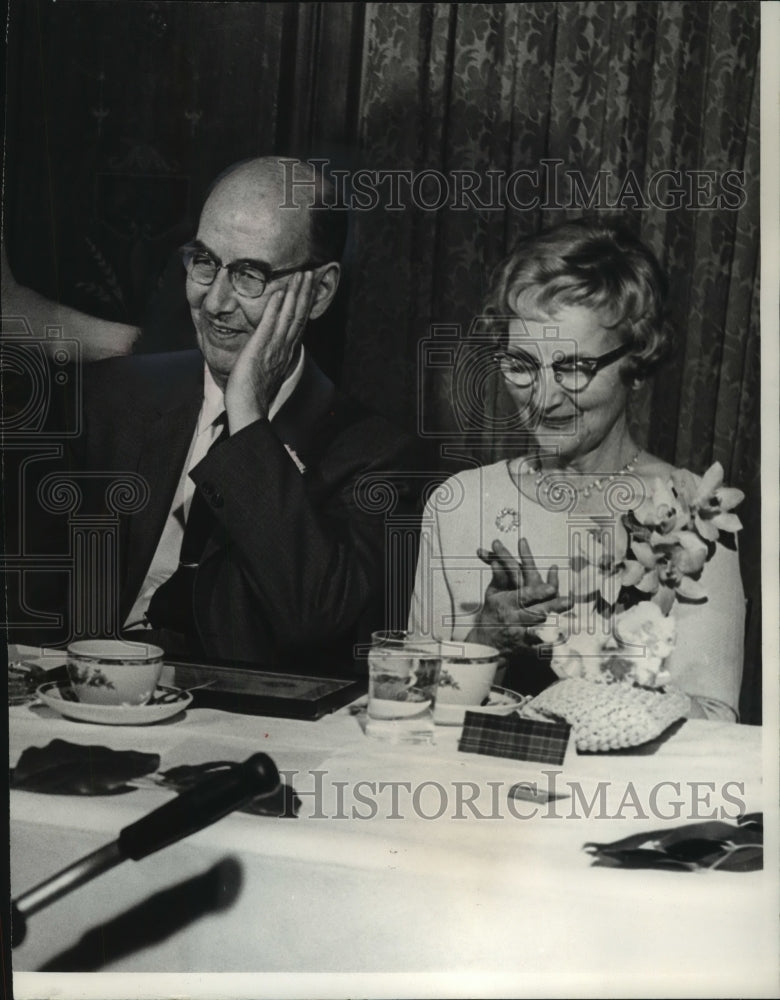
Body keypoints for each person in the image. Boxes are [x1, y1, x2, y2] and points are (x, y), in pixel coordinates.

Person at [12, 157, 419, 672]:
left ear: (319, 292)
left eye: (251, 274)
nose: (216, 302)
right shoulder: (108, 401)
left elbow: (314, 619)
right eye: (205, 262)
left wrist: (246, 415)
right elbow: (29, 607)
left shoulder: (376, 456)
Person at [409, 218, 745, 720]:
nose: (543, 398)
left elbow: (717, 730)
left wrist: (609, 679)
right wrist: (484, 641)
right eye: (521, 363)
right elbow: (409, 714)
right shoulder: (459, 503)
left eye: (573, 367)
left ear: (636, 363)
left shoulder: (695, 515)